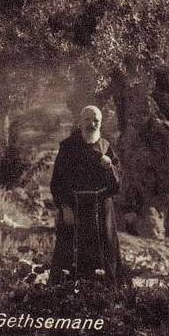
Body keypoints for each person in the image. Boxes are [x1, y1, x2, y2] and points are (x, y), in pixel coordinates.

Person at [48, 105, 122, 284]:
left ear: (101, 122)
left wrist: (109, 167)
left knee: (104, 254)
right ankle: (67, 295)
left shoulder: (106, 146)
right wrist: (65, 208)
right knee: (71, 255)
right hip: (74, 208)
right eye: (88, 119)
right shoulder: (68, 147)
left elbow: (117, 184)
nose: (92, 123)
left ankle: (104, 294)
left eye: (96, 119)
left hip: (101, 211)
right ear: (80, 122)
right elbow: (57, 181)